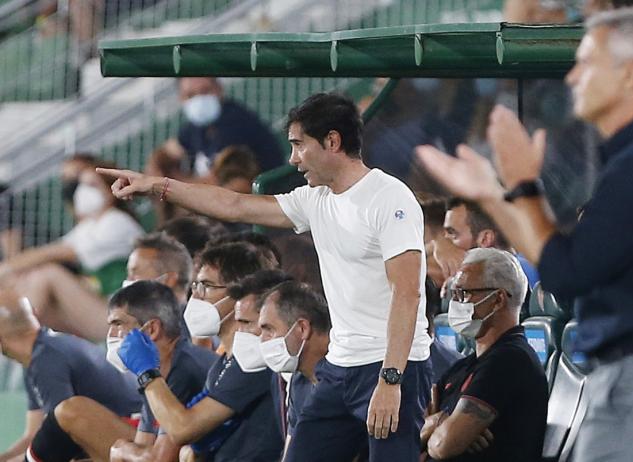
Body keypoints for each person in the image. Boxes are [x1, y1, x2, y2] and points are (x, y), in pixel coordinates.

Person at [98, 92, 432, 462]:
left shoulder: (389, 198)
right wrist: (157, 185)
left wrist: (391, 379)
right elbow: (235, 205)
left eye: (298, 145)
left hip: (392, 366)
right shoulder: (315, 199)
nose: (291, 159)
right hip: (340, 367)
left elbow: (407, 294)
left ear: (332, 142)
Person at [417, 8, 633, 461]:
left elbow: (567, 275)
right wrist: (497, 192)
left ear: (631, 74)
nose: (574, 76)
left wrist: (521, 188)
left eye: (587, 63)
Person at [119, 269, 291, 462]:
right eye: (195, 286)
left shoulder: (254, 366)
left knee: (78, 410)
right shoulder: (224, 363)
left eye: (207, 286)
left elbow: (181, 432)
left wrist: (147, 373)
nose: (197, 296)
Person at [51, 281, 216, 462]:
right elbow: (142, 448)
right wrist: (127, 452)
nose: (111, 335)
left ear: (152, 329)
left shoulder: (183, 370)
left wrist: (120, 448)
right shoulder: (153, 374)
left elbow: (159, 460)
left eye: (118, 324)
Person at [422, 248, 547, 461]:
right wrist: (440, 422)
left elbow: (442, 446)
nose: (456, 303)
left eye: (464, 293)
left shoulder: (509, 361)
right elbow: (418, 433)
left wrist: (437, 423)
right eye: (454, 294)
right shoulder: (466, 365)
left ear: (498, 299)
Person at [0, 160, 144, 340]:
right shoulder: (88, 227)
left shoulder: (117, 221)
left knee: (48, 274)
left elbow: (53, 253)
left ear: (111, 189)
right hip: (102, 312)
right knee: (31, 281)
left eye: (92, 185)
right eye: (80, 185)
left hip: (127, 319)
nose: (84, 191)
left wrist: (6, 269)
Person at [0, 292, 141, 462]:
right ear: (35, 314)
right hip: (123, 437)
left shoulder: (47, 359)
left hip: (138, 437)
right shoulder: (38, 355)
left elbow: (60, 436)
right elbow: (34, 436)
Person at [155, 77, 284, 178]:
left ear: (219, 89)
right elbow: (167, 152)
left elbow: (220, 182)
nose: (199, 100)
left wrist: (171, 187)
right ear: (181, 98)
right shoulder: (196, 126)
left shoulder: (236, 122)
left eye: (205, 91)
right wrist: (156, 171)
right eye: (190, 95)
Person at [257, 281, 331, 455]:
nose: (262, 340)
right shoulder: (299, 383)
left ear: (302, 328)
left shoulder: (348, 379)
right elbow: (292, 453)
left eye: (269, 329)